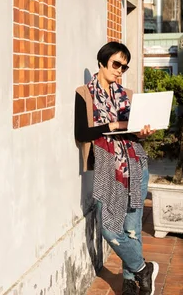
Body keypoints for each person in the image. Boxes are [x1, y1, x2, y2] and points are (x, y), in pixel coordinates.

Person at [74, 42, 158, 295]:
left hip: (135, 165)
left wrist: (143, 132)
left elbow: (134, 134)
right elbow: (82, 133)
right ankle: (144, 268)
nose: (120, 70)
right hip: (106, 168)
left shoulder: (128, 95)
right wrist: (113, 125)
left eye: (124, 66)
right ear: (102, 62)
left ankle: (131, 282)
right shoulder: (84, 93)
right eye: (116, 64)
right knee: (110, 230)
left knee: (131, 229)